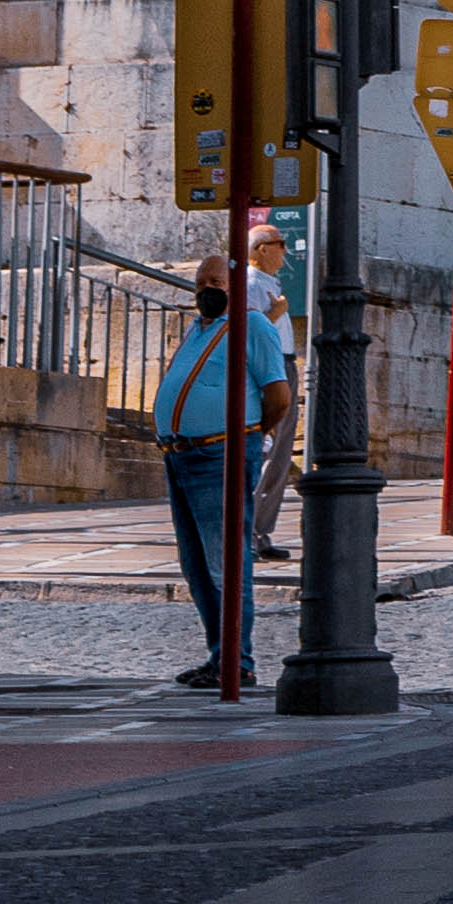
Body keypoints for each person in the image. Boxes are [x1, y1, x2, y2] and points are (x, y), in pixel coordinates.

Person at [149, 255, 288, 682]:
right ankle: (219, 655)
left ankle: (237, 662)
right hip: (180, 455)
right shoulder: (198, 329)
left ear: (235, 286)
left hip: (219, 453)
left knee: (223, 561)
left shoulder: (253, 326)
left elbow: (278, 396)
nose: (206, 290)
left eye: (216, 282)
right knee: (195, 565)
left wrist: (247, 434)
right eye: (200, 283)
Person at [249, 216, 304, 558]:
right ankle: (248, 533)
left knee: (281, 453)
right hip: (269, 367)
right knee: (267, 450)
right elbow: (247, 332)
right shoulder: (251, 284)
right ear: (262, 249)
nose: (285, 250)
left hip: (284, 364)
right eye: (280, 244)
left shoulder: (268, 281)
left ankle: (261, 532)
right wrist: (277, 312)